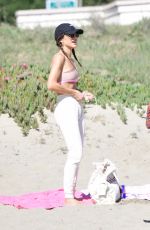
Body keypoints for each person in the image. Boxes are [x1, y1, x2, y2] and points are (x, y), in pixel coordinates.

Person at [47, 23, 94, 205]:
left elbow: (68, 85)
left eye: (76, 34)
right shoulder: (58, 58)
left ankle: (72, 193)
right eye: (70, 35)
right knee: (75, 152)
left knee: (79, 153)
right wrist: (74, 93)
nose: (75, 37)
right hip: (65, 106)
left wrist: (81, 92)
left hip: (74, 105)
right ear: (60, 39)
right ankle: (68, 197)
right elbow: (51, 85)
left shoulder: (70, 57)